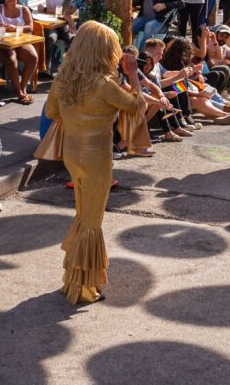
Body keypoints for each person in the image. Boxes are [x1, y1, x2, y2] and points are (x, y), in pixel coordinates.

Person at [45, 23, 142, 304]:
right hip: (97, 156)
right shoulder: (104, 85)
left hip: (71, 154)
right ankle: (84, 288)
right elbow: (135, 106)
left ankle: (74, 279)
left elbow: (52, 112)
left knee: (82, 213)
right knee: (92, 221)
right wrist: (133, 74)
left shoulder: (63, 78)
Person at [0, 0, 37, 105]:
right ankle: (19, 92)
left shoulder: (23, 9)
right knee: (11, 58)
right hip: (2, 44)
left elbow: (30, 27)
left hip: (19, 42)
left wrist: (15, 28)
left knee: (33, 57)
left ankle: (23, 86)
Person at [26, 0, 76, 72]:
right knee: (50, 38)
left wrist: (44, 9)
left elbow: (63, 10)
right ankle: (45, 69)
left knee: (72, 40)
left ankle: (72, 69)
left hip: (63, 23)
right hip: (50, 24)